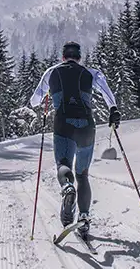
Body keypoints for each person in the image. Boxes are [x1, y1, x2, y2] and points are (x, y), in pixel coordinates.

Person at [30, 41, 121, 240]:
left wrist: (47, 95)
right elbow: (107, 94)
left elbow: (34, 101)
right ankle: (85, 217)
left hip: (63, 124)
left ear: (63, 56)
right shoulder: (91, 73)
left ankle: (66, 188)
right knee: (83, 175)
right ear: (79, 57)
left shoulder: (51, 72)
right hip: (87, 125)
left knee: (63, 164)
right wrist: (113, 110)